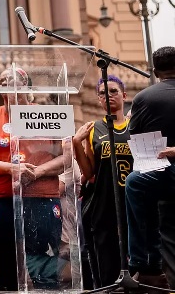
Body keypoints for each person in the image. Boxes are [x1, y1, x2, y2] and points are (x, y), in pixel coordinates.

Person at [0, 68, 65, 291]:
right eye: (2, 80)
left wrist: (39, 172)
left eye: (13, 80)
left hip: (39, 196)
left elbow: (66, 156)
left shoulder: (44, 113)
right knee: (4, 267)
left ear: (26, 86)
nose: (6, 83)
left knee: (38, 260)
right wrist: (12, 168)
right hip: (2, 198)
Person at [72, 75, 132, 288]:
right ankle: (108, 286)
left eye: (113, 91)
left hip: (132, 198)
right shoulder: (94, 129)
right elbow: (89, 172)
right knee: (106, 250)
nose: (108, 96)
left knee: (134, 248)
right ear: (98, 100)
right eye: (103, 93)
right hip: (104, 199)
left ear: (124, 95)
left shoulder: (135, 125)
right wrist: (76, 143)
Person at [125, 46, 175, 288]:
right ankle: (151, 265)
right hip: (166, 172)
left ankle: (142, 263)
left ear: (155, 71)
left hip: (161, 171)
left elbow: (133, 134)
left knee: (135, 183)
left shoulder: (143, 98)